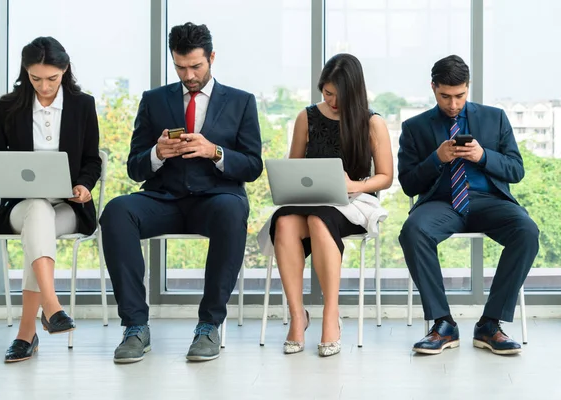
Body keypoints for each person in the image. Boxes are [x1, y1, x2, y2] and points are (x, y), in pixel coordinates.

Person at [99, 22, 262, 364]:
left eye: (196, 66)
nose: (188, 75)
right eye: (180, 66)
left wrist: (214, 152)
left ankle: (208, 325)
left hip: (216, 199)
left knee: (233, 212)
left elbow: (252, 166)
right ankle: (135, 327)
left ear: (212, 58)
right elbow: (134, 167)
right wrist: (157, 154)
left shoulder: (242, 102)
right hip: (164, 199)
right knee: (116, 210)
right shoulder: (154, 100)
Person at [398, 55, 539, 356]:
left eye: (460, 95)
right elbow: (409, 184)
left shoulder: (495, 117)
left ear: (468, 88)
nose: (453, 104)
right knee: (413, 230)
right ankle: (443, 324)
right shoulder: (414, 127)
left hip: (489, 202)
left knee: (527, 230)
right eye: (445, 96)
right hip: (442, 204)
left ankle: (490, 324)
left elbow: (516, 170)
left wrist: (482, 156)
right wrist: (437, 158)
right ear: (433, 88)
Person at [265, 53, 393, 357]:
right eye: (327, 93)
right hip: (310, 200)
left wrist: (357, 185)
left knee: (319, 220)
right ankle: (298, 317)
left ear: (355, 91)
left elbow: (386, 177)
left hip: (352, 202)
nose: (332, 101)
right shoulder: (306, 117)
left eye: (339, 95)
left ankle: (331, 315)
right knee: (283, 221)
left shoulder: (373, 123)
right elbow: (293, 166)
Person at [0, 36, 102, 363]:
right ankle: (52, 306)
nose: (44, 86)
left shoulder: (82, 105)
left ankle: (27, 334)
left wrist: (84, 185)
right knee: (37, 211)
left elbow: (92, 160)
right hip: (21, 207)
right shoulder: (10, 105)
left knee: (40, 230)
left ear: (65, 70)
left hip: (67, 207)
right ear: (26, 72)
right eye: (36, 78)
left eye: (52, 78)